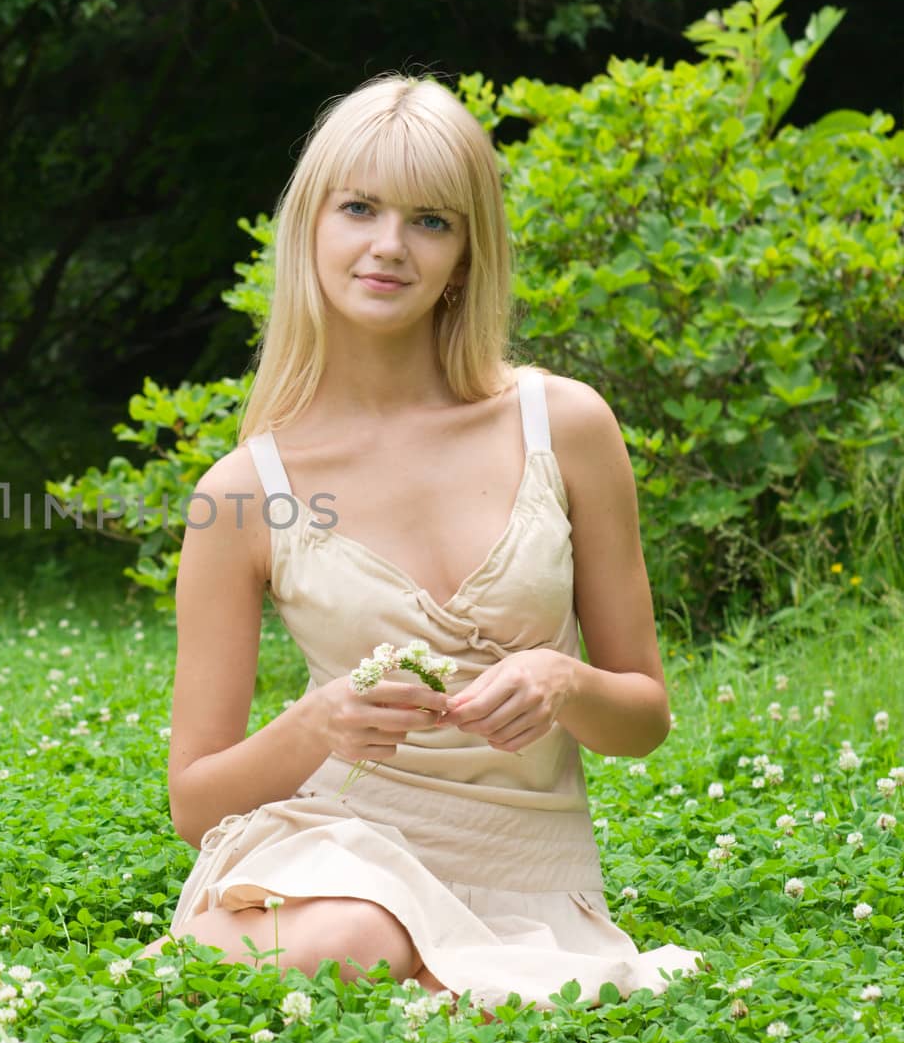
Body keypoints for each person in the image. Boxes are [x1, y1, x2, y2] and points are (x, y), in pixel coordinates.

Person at [145, 73, 702, 1011]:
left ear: (466, 250)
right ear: (311, 226)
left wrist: (562, 683)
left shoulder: (562, 424)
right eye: (358, 208)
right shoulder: (243, 492)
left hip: (528, 865)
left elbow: (642, 717)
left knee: (373, 950)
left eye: (431, 221)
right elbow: (196, 804)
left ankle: (418, 963)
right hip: (335, 849)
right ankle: (264, 939)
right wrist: (316, 724)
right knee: (352, 935)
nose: (389, 246)